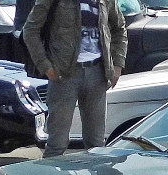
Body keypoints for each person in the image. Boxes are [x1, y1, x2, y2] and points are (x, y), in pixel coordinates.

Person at [23, 0, 128, 157]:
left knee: (96, 144)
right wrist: (46, 67)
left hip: (97, 72)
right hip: (64, 75)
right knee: (57, 144)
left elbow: (119, 29)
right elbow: (30, 30)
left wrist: (117, 65)